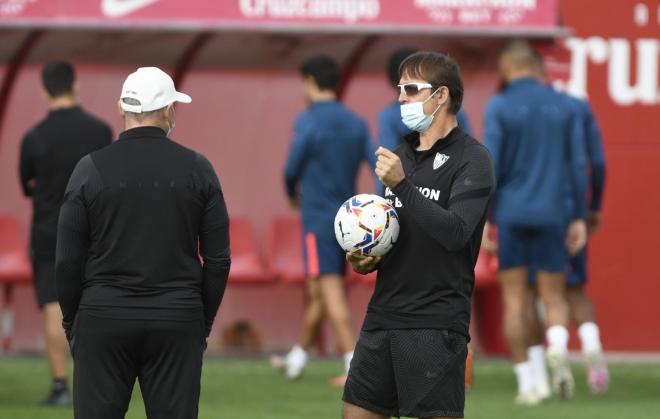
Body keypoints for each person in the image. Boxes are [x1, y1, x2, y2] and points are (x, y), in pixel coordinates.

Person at [55, 67, 231, 418]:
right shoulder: (199, 169)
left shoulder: (88, 169)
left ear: (121, 107)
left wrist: (73, 322)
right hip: (177, 318)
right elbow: (218, 259)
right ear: (168, 111)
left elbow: (66, 260)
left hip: (102, 317)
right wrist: (202, 323)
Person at [343, 51, 495, 419]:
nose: (400, 98)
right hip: (383, 315)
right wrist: (369, 256)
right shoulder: (401, 156)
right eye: (400, 89)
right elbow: (394, 230)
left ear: (441, 96)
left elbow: (456, 232)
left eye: (411, 89)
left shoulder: (472, 159)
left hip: (435, 323)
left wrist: (403, 186)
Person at [481, 40, 588, 404]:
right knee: (553, 297)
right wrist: (578, 217)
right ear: (537, 68)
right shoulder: (564, 105)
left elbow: (490, 165)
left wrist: (485, 219)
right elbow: (578, 165)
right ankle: (557, 342)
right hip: (553, 212)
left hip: (511, 214)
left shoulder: (500, 105)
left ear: (507, 69)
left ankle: (529, 383)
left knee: (515, 302)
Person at [274, 55, 374, 386]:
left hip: (318, 219)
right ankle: (297, 359)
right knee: (320, 290)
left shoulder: (308, 122)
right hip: (350, 220)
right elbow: (375, 164)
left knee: (328, 290)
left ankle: (354, 364)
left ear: (311, 82)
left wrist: (291, 192)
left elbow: (291, 168)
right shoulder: (356, 122)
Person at [18, 61, 112, 405]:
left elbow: (26, 183)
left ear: (44, 90)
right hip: (93, 229)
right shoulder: (101, 132)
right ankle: (96, 382)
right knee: (92, 304)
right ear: (76, 86)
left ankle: (61, 387)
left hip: (48, 231)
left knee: (53, 306)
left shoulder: (34, 137)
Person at [523, 55, 609, 397]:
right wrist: (591, 207)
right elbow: (595, 162)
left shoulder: (519, 108)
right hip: (570, 209)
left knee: (534, 291)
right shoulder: (577, 107)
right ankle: (592, 349)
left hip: (529, 210)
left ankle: (548, 354)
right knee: (573, 288)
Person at [378, 48, 472, 195]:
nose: (403, 98)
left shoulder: (389, 116)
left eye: (412, 88)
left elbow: (387, 166)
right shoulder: (454, 111)